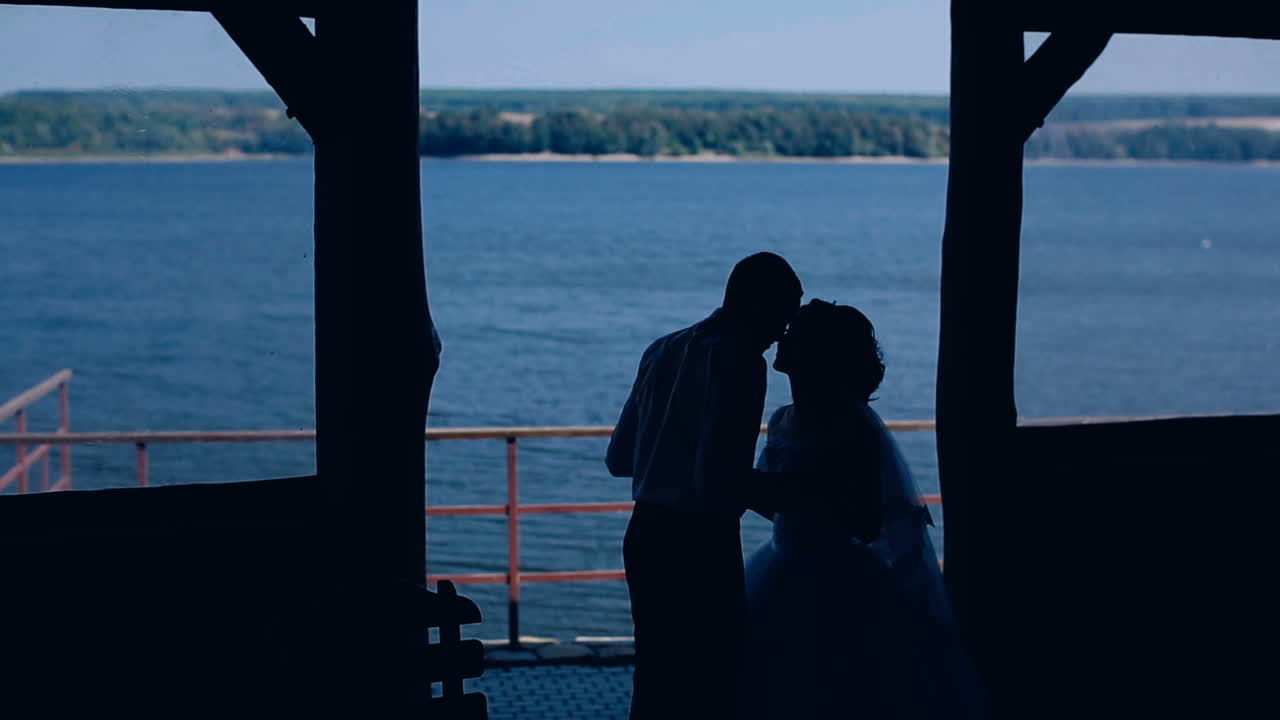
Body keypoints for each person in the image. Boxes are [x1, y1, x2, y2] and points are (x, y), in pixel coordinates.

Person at [744, 300, 991, 720]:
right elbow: (777, 504)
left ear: (817, 353)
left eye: (796, 332)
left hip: (833, 578)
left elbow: (864, 520)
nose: (783, 336)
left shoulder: (851, 427)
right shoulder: (783, 417)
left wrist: (774, 491)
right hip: (784, 561)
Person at [606, 252, 804, 719]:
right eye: (783, 316)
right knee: (714, 681)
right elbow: (718, 481)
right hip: (700, 541)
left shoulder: (662, 349)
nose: (783, 333)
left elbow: (618, 459)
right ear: (756, 304)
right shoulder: (742, 362)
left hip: (644, 534)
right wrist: (794, 499)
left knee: (655, 676)